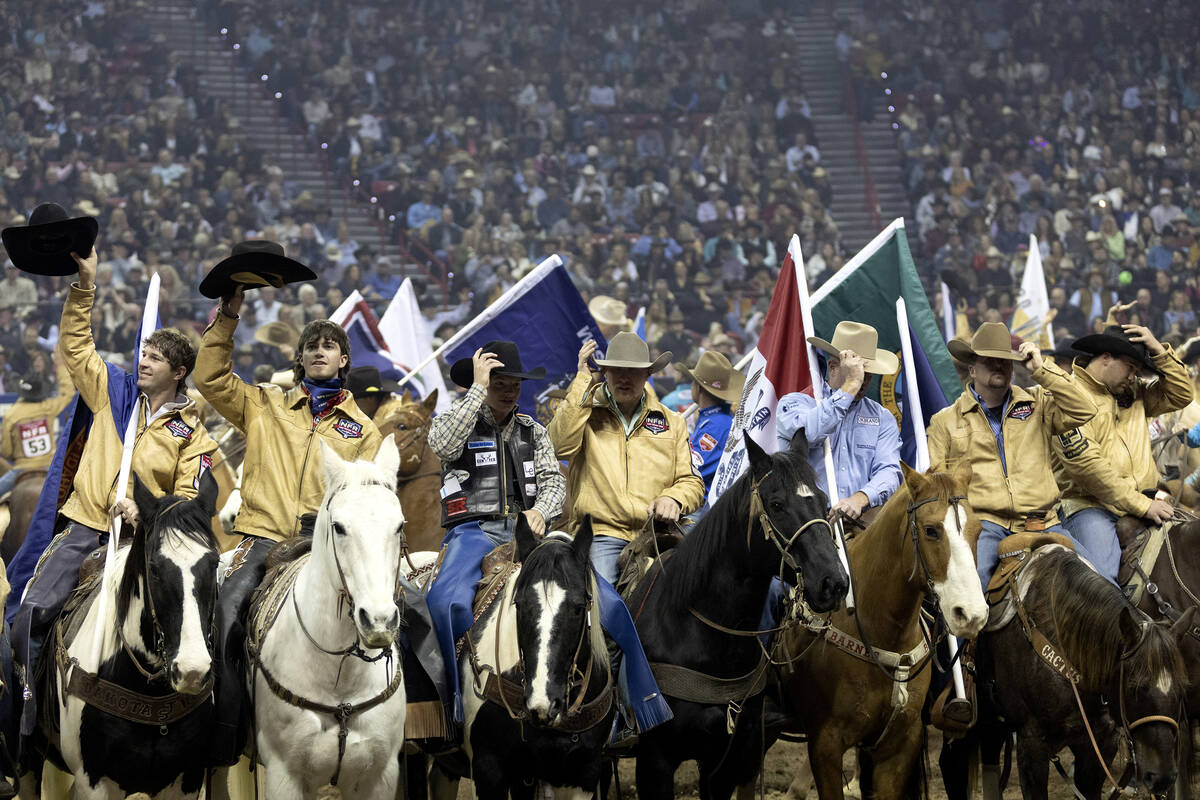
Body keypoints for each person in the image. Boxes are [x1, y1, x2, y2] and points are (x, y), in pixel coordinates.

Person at [11, 246, 218, 738]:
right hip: (86, 526)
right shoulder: (112, 392)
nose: (144, 361)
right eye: (144, 353)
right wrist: (85, 286)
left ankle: (209, 732)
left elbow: (189, 498)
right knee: (29, 616)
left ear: (179, 371)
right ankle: (28, 721)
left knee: (208, 625)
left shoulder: (195, 435)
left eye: (157, 357)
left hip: (143, 543)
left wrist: (147, 512)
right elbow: (77, 347)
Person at [194, 283, 381, 764]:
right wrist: (229, 315)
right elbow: (210, 377)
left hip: (329, 548)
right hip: (263, 537)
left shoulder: (364, 430)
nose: (319, 351)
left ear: (344, 360)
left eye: (329, 345)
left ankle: (416, 727)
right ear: (300, 361)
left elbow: (369, 502)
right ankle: (224, 737)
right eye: (311, 346)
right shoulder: (265, 405)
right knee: (226, 614)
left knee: (395, 614)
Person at [548, 332, 702, 735]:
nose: (625, 379)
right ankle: (610, 709)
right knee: (603, 615)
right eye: (615, 370)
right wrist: (582, 382)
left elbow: (692, 482)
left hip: (660, 533)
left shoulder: (673, 422)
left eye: (634, 372)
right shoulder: (588, 411)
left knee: (710, 597)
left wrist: (674, 498)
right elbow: (557, 446)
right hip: (604, 534)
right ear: (605, 372)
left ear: (648, 374)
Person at [424, 341, 565, 724]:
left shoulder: (532, 431)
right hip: (473, 532)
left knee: (604, 600)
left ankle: (627, 705)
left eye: (514, 382)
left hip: (528, 534)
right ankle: (452, 703)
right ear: (482, 383)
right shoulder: (458, 418)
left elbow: (554, 482)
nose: (509, 389)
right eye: (499, 382)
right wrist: (476, 388)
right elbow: (441, 444)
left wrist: (541, 510)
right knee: (446, 603)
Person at [928, 323, 1097, 590]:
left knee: (1099, 588)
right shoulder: (944, 422)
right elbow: (938, 487)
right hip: (984, 525)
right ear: (972, 369)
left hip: (1043, 521)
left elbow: (1086, 409)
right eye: (990, 360)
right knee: (971, 593)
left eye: (1005, 361)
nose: (999, 366)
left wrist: (1042, 370)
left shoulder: (1039, 402)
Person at [1051, 324, 1193, 583]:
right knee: (1105, 580)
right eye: (1131, 368)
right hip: (1089, 505)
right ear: (1106, 358)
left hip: (1144, 499)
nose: (1134, 377)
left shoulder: (1134, 392)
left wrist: (1159, 351)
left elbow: (1182, 394)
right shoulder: (1068, 396)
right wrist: (1143, 505)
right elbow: (1091, 471)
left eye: (1138, 371)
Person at [776, 321, 902, 521]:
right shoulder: (794, 404)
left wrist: (860, 499)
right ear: (833, 367)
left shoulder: (882, 417)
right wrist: (850, 386)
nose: (863, 380)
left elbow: (890, 471)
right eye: (856, 372)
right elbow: (809, 434)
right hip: (804, 524)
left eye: (867, 374)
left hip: (860, 522)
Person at [0, 360, 74, 499]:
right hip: (49, 468)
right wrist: (61, 366)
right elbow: (67, 393)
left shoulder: (11, 415)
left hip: (21, 469)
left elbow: (6, 451)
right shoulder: (48, 406)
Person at [677, 350, 742, 497]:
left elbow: (693, 470)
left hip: (700, 504)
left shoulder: (715, 426)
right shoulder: (716, 420)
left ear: (698, 387)